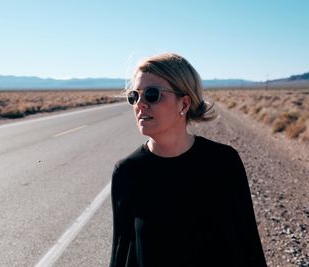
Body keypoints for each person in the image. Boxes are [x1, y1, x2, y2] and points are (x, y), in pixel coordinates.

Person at [109, 53, 267, 267]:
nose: (140, 104)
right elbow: (121, 252)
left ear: (184, 104)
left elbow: (249, 244)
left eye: (152, 94)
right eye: (134, 96)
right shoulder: (128, 172)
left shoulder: (223, 163)